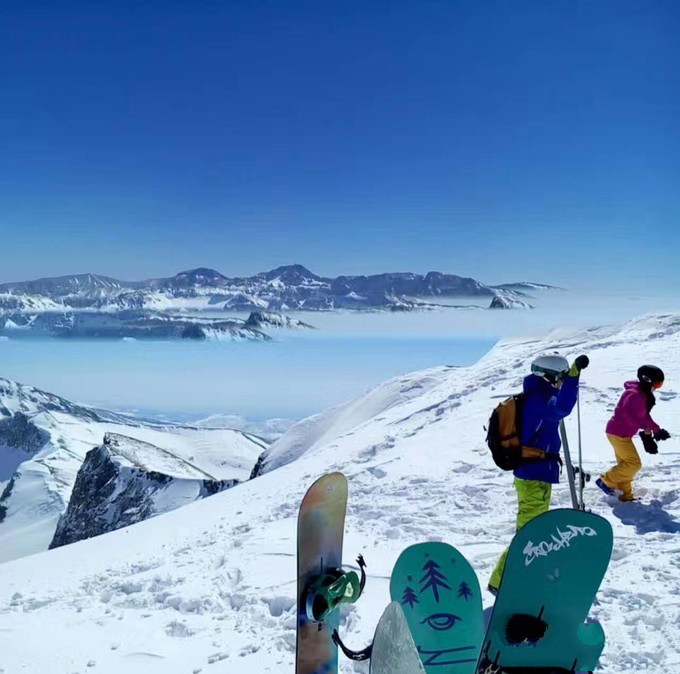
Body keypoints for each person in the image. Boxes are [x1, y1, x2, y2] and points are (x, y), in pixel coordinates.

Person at [488, 353, 589, 595]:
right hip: (534, 476)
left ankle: (512, 578)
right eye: (560, 378)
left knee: (531, 531)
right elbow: (563, 407)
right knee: (528, 534)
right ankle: (501, 583)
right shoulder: (540, 401)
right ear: (548, 376)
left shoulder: (535, 397)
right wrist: (574, 377)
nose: (561, 383)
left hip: (535, 474)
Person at [596, 365, 670, 502]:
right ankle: (605, 480)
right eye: (657, 384)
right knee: (633, 464)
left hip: (620, 434)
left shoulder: (640, 394)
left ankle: (625, 495)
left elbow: (644, 416)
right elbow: (631, 416)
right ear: (647, 380)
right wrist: (647, 428)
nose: (657, 387)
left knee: (625, 465)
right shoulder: (635, 395)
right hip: (618, 434)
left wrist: (657, 430)